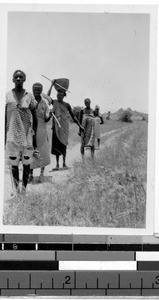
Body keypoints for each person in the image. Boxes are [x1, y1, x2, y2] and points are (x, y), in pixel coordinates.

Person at [5, 70, 37, 195]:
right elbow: (4, 117)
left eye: (21, 77)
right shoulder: (7, 96)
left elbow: (34, 117)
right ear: (13, 80)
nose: (18, 79)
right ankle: (16, 190)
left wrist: (34, 138)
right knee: (13, 163)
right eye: (16, 77)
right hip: (12, 135)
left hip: (27, 135)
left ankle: (23, 189)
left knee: (26, 162)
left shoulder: (29, 96)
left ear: (24, 79)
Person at [47, 81, 84, 170]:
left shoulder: (67, 105)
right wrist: (52, 85)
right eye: (57, 95)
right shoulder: (54, 102)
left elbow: (73, 116)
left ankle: (64, 163)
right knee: (56, 146)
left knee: (63, 145)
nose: (58, 96)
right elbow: (48, 97)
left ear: (63, 95)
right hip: (56, 127)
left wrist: (80, 125)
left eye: (60, 95)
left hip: (64, 128)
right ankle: (57, 165)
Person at [29, 83, 52, 183]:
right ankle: (30, 175)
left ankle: (41, 174)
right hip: (31, 131)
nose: (37, 91)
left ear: (41, 90)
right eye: (35, 89)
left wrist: (50, 115)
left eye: (39, 90)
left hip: (42, 131)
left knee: (43, 152)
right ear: (32, 89)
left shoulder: (45, 103)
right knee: (31, 152)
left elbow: (46, 119)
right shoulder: (29, 101)